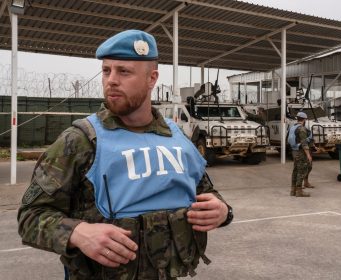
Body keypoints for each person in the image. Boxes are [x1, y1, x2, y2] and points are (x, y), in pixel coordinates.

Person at [17, 29, 233, 280]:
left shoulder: (177, 140)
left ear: (152, 79)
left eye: (124, 71)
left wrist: (223, 212)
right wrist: (78, 232)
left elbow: (206, 194)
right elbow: (30, 217)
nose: (111, 80)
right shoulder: (80, 141)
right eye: (107, 70)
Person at [288, 111, 313, 197]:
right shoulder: (301, 129)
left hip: (294, 151)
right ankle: (299, 191)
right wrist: (308, 155)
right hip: (300, 152)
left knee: (295, 170)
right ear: (304, 119)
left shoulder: (292, 127)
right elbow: (304, 143)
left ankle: (293, 190)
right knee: (301, 170)